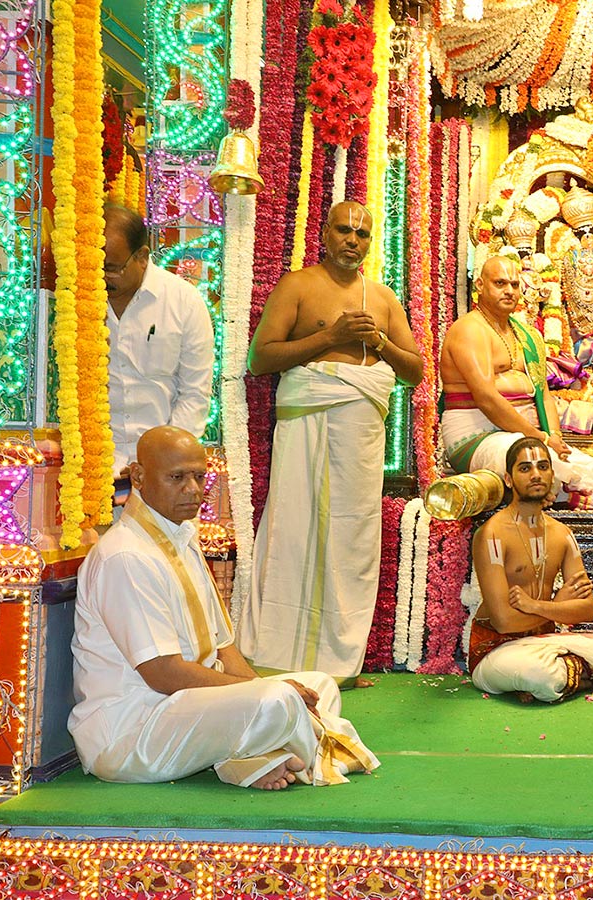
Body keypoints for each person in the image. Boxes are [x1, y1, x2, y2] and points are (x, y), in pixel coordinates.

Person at [68, 426, 378, 789]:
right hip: (132, 731)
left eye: (199, 477)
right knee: (279, 700)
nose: (193, 490)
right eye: (177, 477)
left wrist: (255, 691)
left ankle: (253, 759)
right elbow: (163, 674)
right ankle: (277, 752)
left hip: (185, 709)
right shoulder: (125, 555)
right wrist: (259, 695)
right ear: (138, 476)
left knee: (318, 684)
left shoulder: (181, 537)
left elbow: (223, 647)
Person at [239, 201, 423, 686]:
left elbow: (415, 372)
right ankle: (279, 659)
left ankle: (340, 662)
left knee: (351, 541)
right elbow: (261, 359)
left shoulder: (382, 298)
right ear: (324, 233)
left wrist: (379, 343)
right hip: (308, 426)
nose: (352, 241)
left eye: (362, 235)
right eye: (344, 230)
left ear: (370, 242)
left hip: (360, 437)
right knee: (296, 531)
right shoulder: (297, 286)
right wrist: (333, 337)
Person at [469, 437, 593, 702]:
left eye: (543, 467)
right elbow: (504, 621)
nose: (535, 475)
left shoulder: (562, 534)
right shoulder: (492, 534)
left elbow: (586, 609)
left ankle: (572, 673)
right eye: (525, 468)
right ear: (508, 479)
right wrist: (557, 607)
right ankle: (588, 675)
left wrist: (539, 606)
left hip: (545, 641)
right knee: (539, 673)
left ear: (552, 474)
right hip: (495, 648)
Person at [440, 255, 593, 506]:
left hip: (529, 436)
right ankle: (562, 493)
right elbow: (487, 399)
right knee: (528, 457)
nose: (509, 291)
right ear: (479, 285)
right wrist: (541, 439)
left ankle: (558, 491)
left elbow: (543, 394)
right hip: (477, 435)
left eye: (515, 284)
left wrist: (553, 436)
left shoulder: (528, 335)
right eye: (500, 283)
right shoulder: (470, 330)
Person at [103, 203, 214, 476]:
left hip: (164, 470)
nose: (102, 277)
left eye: (112, 267)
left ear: (141, 256)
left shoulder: (183, 301)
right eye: (93, 265)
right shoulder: (75, 298)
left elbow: (194, 394)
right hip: (94, 466)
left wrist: (161, 460)